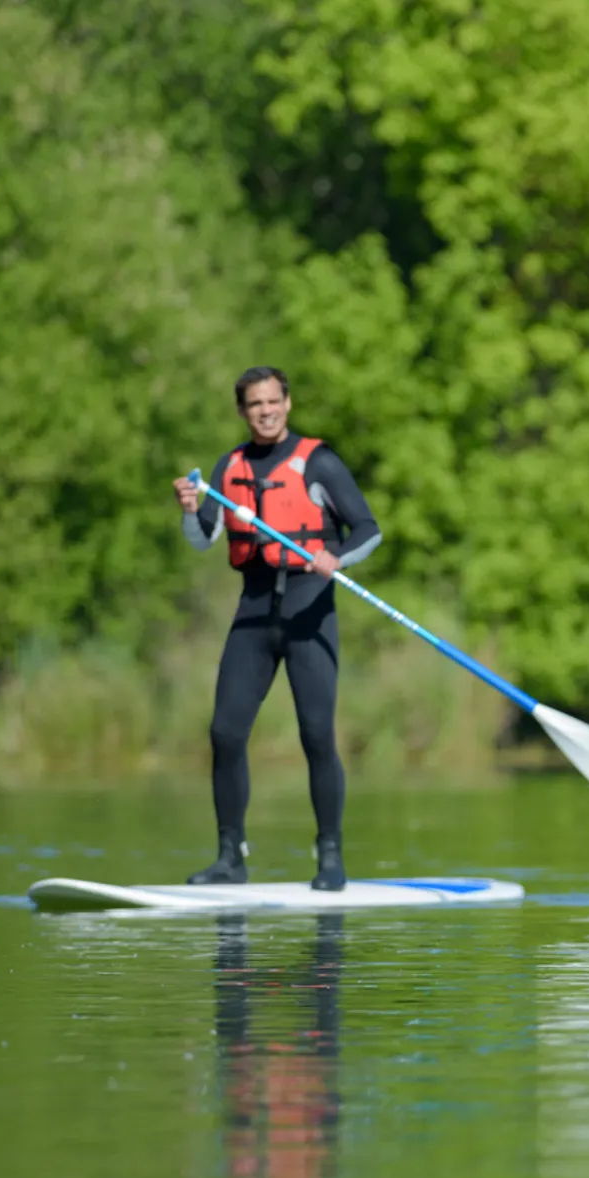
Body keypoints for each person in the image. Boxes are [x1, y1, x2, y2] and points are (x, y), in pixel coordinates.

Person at [173, 367, 381, 890]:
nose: (265, 411)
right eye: (254, 404)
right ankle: (229, 858)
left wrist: (336, 557)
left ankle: (330, 856)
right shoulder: (230, 467)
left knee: (316, 735)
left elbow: (368, 529)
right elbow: (203, 539)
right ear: (243, 411)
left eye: (272, 401)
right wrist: (191, 510)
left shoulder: (319, 462)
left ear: (287, 403)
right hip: (255, 613)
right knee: (224, 733)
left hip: (311, 615)